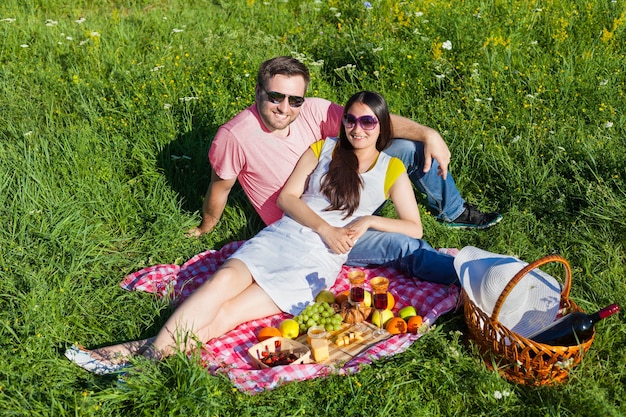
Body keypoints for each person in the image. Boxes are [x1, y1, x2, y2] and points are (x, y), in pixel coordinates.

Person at [65, 91, 458, 374]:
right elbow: (288, 198)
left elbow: (413, 226)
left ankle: (133, 354)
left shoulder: (391, 170)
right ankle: (145, 356)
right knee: (219, 282)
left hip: (319, 259)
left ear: (381, 126)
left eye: (368, 121)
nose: (357, 128)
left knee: (230, 314)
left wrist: (368, 221)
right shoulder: (324, 148)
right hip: (285, 235)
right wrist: (323, 225)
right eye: (351, 120)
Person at [187, 56, 501, 278]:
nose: (285, 108)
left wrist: (429, 133)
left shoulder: (313, 110)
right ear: (258, 91)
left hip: (347, 191)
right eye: (275, 97)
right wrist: (206, 227)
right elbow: (220, 187)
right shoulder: (234, 136)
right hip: (310, 227)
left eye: (295, 99)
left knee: (409, 147)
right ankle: (478, 283)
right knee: (407, 247)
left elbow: (370, 121)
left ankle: (453, 212)